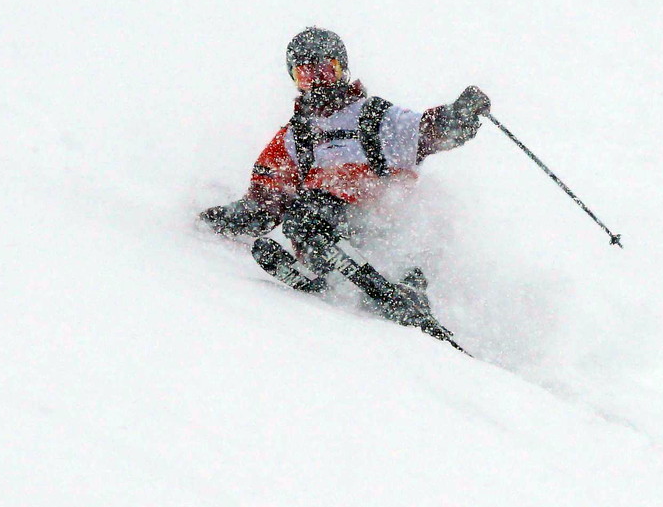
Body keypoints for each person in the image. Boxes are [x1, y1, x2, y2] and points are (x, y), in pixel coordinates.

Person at [200, 27, 489, 337]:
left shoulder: (375, 117)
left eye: (326, 70)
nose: (319, 83)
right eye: (307, 75)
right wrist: (223, 218)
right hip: (320, 226)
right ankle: (324, 270)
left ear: (342, 69)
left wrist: (459, 116)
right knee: (302, 216)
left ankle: (406, 287)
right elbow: (269, 195)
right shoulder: (297, 136)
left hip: (378, 226)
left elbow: (425, 132)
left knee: (313, 212)